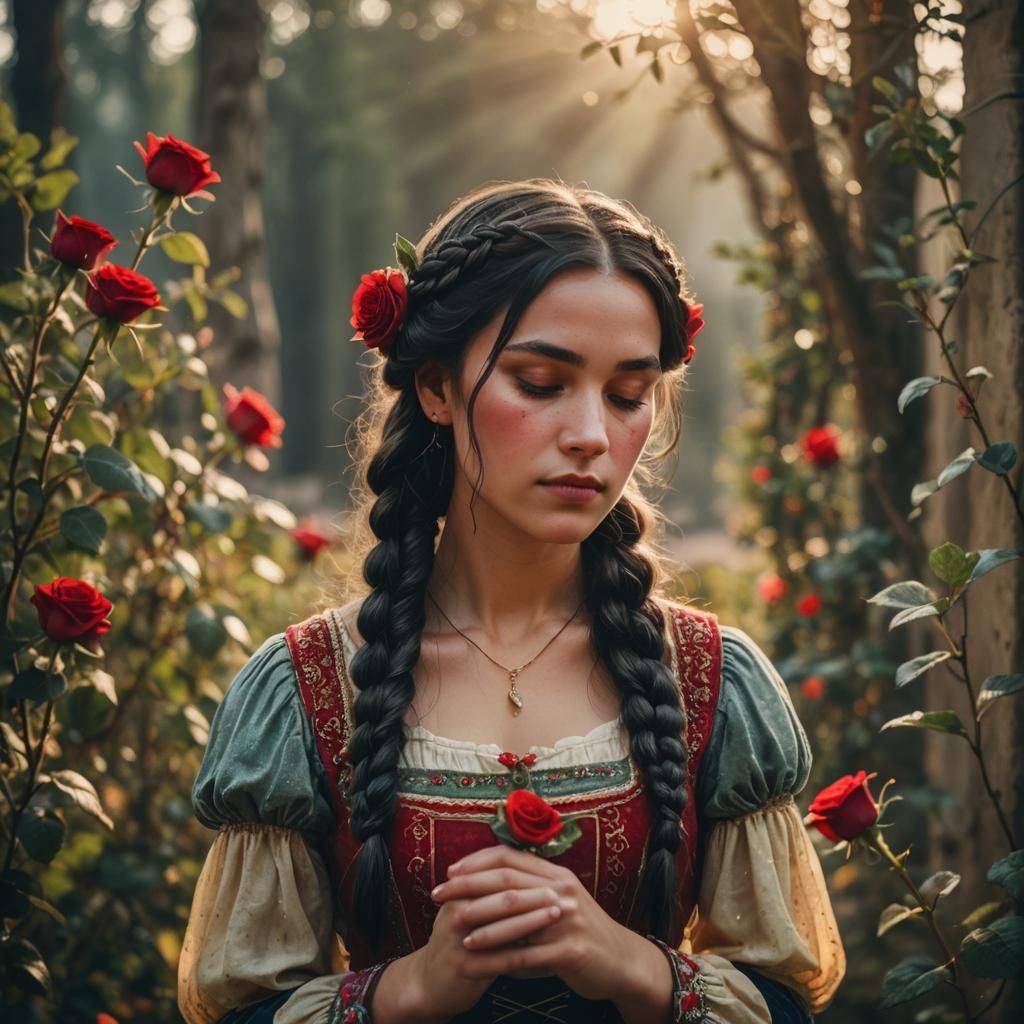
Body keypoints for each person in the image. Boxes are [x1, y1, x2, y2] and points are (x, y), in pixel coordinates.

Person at [177, 178, 846, 1024]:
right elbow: (240, 1007)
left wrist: (634, 967)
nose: (592, 436)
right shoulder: (307, 687)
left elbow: (786, 1000)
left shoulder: (714, 679)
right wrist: (409, 989)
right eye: (539, 382)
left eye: (628, 396)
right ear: (436, 388)